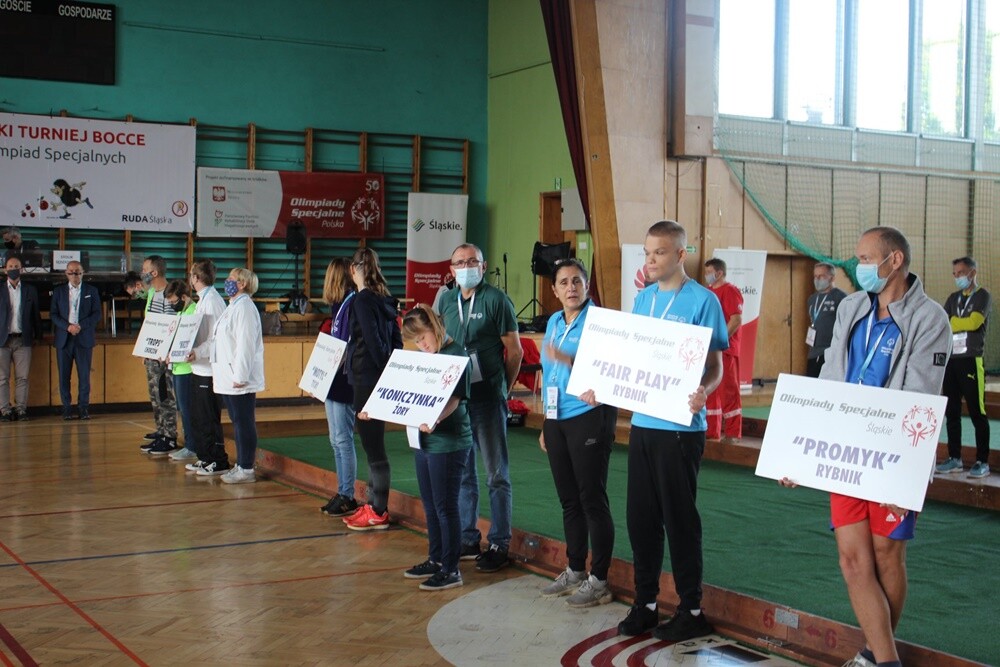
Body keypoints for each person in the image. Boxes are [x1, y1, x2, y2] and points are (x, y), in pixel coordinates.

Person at [785, 226, 951, 667]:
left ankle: (876, 655)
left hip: (895, 454)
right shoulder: (853, 307)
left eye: (864, 258)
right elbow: (831, 377)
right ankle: (886, 661)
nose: (857, 268)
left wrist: (896, 453)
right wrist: (803, 453)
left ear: (893, 260)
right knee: (852, 560)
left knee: (885, 553)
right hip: (845, 451)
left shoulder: (930, 318)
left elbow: (920, 396)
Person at [613, 220, 728, 642]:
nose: (650, 261)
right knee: (641, 519)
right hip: (643, 424)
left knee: (679, 520)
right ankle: (645, 604)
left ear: (681, 254)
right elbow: (631, 358)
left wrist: (705, 393)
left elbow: (715, 367)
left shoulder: (703, 301)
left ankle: (691, 609)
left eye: (658, 253)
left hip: (680, 427)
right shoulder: (642, 300)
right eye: (646, 253)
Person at [438, 243, 523, 572]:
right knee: (464, 474)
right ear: (451, 269)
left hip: (488, 399)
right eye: (460, 262)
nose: (466, 266)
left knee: (496, 474)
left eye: (472, 261)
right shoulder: (444, 300)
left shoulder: (496, 300)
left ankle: (500, 542)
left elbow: (514, 351)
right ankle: (468, 537)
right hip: (457, 401)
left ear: (483, 266)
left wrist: (506, 387)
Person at [537, 258, 617, 608]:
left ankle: (599, 578)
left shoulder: (601, 323)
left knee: (591, 499)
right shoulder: (554, 321)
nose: (571, 288)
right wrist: (546, 422)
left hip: (590, 416)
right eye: (564, 282)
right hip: (558, 419)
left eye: (577, 281)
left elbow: (611, 368)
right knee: (569, 499)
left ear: (587, 287)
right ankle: (574, 568)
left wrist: (570, 360)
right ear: (554, 291)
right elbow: (548, 372)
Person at [397, 305, 472, 591]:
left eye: (423, 337)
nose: (422, 344)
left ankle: (451, 569)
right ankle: (437, 557)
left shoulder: (457, 354)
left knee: (445, 506)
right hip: (423, 439)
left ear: (435, 326)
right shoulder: (426, 356)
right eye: (416, 341)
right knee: (430, 504)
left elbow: (455, 398)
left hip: (449, 442)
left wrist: (435, 418)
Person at [343, 247, 402, 529]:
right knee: (372, 446)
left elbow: (372, 339)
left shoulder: (363, 301)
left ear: (355, 269)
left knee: (373, 447)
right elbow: (396, 341)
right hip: (374, 376)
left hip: (367, 378)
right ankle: (373, 504)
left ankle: (378, 510)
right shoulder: (384, 299)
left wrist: (380, 374)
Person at [936, 256, 992, 479]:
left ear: (972, 273)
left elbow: (974, 322)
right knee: (952, 412)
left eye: (961, 273)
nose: (958, 277)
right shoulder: (953, 298)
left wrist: (954, 322)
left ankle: (982, 461)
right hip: (952, 360)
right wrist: (957, 322)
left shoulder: (983, 296)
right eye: (955, 273)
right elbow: (943, 321)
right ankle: (955, 458)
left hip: (971, 359)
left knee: (977, 412)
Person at [212, 267, 265, 484]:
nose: (227, 282)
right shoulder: (232, 306)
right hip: (227, 375)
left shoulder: (245, 308)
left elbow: (245, 345)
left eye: (231, 279)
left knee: (243, 421)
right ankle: (241, 463)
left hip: (238, 377)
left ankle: (246, 467)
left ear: (242, 283)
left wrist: (240, 375)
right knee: (237, 420)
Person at [318, 258, 359, 517]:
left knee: (343, 439)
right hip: (333, 377)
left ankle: (348, 494)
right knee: (335, 439)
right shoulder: (338, 304)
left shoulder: (353, 302)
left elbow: (350, 343)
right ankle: (342, 490)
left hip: (345, 378)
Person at [183, 260, 231, 477]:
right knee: (199, 416)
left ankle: (218, 460)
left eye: (191, 275)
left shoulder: (212, 301)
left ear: (196, 278)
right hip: (197, 368)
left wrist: (198, 352)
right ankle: (205, 457)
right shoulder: (202, 300)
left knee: (209, 417)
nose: (190, 278)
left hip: (209, 370)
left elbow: (216, 339)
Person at [138, 255, 180, 456]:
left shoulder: (169, 293)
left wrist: (165, 352)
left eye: (145, 269)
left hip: (164, 356)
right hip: (152, 352)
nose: (142, 272)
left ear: (154, 272)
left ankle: (170, 436)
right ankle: (162, 429)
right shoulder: (152, 293)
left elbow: (170, 326)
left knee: (165, 394)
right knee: (155, 394)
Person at [50, 260, 101, 420]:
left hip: (83, 337)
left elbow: (97, 314)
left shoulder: (91, 291)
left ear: (83, 273)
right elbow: (53, 314)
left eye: (77, 272)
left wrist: (80, 326)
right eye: (71, 272)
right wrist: (67, 326)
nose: (74, 275)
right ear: (66, 273)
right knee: (64, 376)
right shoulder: (58, 291)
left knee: (84, 376)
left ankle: (83, 408)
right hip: (64, 339)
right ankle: (66, 408)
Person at [703, 257, 743, 444]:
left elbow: (736, 320)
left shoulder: (730, 291)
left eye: (709, 272)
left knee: (729, 391)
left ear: (719, 273)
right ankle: (712, 430)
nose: (707, 276)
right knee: (710, 391)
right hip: (709, 350)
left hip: (726, 350)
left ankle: (733, 433)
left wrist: (720, 340)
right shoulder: (708, 293)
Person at [0, 256, 42, 421]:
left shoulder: (30, 290)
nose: (13, 268)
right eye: (10, 266)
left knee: (22, 377)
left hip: (23, 339)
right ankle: (4, 410)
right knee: (2, 378)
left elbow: (35, 315)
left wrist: (38, 336)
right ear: (5, 269)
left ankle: (21, 409)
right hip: (2, 340)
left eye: (16, 266)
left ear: (22, 269)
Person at [160, 280, 199, 461]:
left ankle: (192, 446)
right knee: (182, 409)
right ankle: (189, 443)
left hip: (187, 369)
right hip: (177, 367)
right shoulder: (182, 311)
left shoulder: (192, 311)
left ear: (184, 297)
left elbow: (190, 341)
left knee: (188, 409)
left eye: (174, 301)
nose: (172, 305)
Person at [806, 262, 847, 378]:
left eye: (821, 276)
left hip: (830, 352)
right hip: (813, 351)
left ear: (832, 277)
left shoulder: (841, 298)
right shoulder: (812, 299)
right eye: (815, 276)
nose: (817, 279)